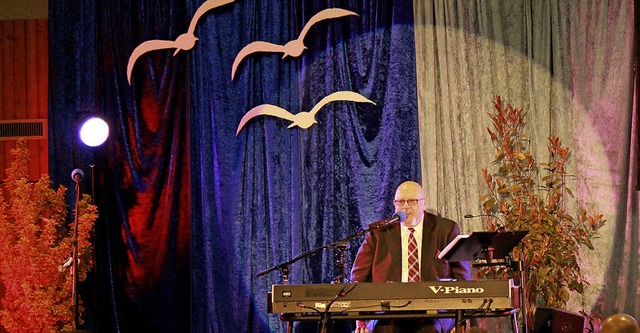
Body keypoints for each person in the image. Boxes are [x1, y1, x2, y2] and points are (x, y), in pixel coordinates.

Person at [350, 181, 471, 333]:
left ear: (424, 203)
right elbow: (358, 278)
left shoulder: (446, 229)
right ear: (394, 205)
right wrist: (361, 321)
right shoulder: (379, 232)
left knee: (429, 330)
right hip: (389, 310)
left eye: (412, 201)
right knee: (383, 329)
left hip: (435, 310)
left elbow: (463, 279)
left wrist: (460, 320)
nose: (405, 206)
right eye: (400, 202)